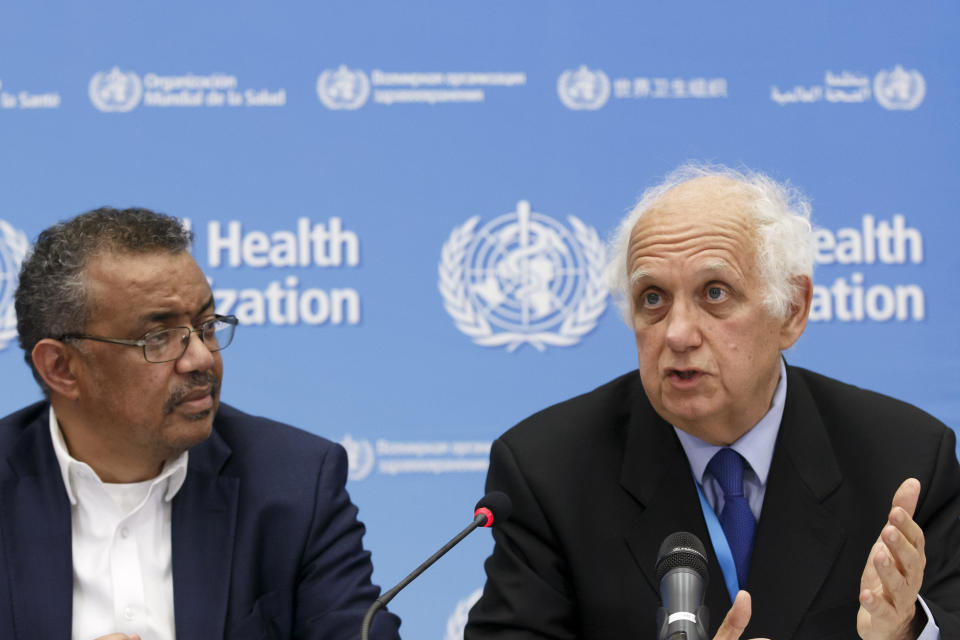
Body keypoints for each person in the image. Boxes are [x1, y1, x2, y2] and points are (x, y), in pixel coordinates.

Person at [464, 165, 960, 640]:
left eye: (714, 293)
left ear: (790, 309)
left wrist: (907, 633)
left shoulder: (905, 459)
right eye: (653, 298)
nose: (678, 333)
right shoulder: (548, 472)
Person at [0, 207, 401, 640]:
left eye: (206, 326)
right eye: (159, 338)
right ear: (61, 367)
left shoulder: (295, 485)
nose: (202, 359)